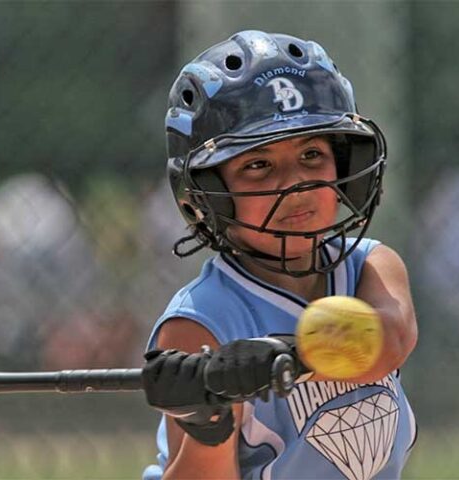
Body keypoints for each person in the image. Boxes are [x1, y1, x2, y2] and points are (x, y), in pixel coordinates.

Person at [141, 30, 418, 480]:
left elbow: (390, 341)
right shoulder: (200, 321)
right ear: (210, 195)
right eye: (258, 165)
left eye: (312, 154)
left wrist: (284, 354)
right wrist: (208, 420)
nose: (295, 183)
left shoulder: (370, 265)